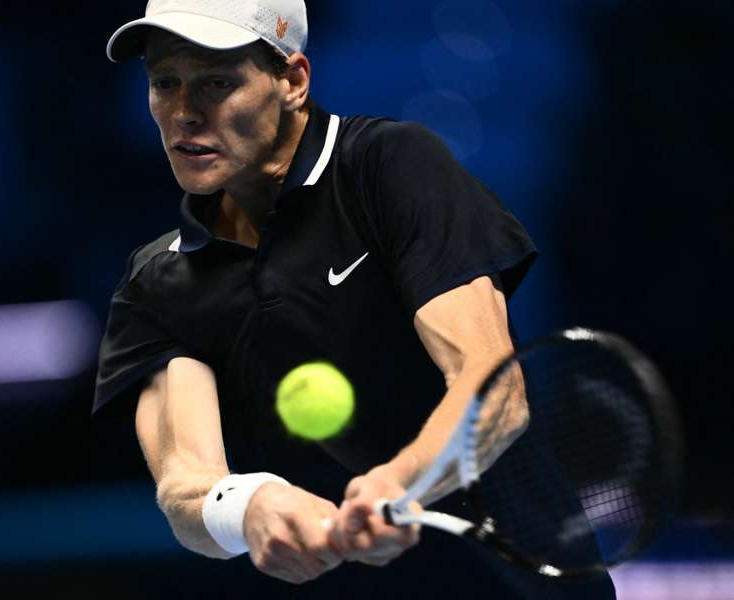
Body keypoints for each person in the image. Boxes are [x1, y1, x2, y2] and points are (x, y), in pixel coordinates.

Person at [94, 1, 615, 597]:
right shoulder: (155, 280)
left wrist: (400, 481)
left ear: (292, 81)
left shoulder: (390, 167)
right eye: (165, 83)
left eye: (217, 82)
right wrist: (247, 505)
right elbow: (186, 479)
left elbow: (493, 386)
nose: (184, 113)